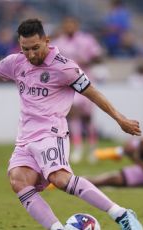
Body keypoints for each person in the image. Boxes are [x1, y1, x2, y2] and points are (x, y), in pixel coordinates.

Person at [0, 18, 143, 230]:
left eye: (36, 48)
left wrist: (120, 119)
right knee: (18, 181)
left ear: (46, 41)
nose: (31, 54)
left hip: (52, 133)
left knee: (59, 179)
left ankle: (122, 214)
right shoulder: (15, 62)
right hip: (25, 137)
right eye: (26, 49)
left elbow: (93, 93)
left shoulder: (65, 68)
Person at [51, 17, 104, 164]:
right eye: (66, 25)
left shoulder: (87, 40)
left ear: (76, 26)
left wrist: (88, 60)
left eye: (71, 25)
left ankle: (93, 148)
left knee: (88, 117)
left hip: (86, 79)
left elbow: (99, 56)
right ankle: (78, 147)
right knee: (73, 113)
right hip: (68, 83)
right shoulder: (57, 43)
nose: (69, 27)